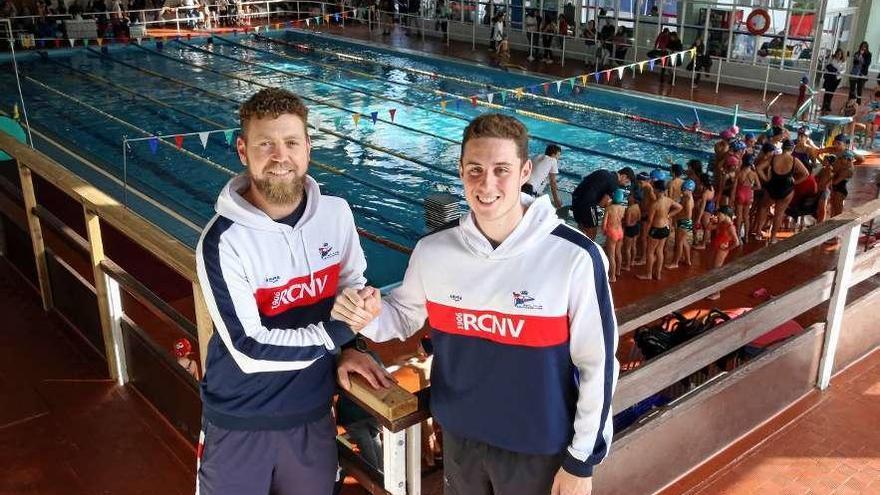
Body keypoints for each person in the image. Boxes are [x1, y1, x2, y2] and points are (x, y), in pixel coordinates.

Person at [334, 113, 619, 495]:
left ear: (525, 171)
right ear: (460, 170)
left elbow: (598, 364)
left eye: (501, 169)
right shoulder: (434, 251)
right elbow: (399, 319)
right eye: (475, 169)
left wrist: (582, 461)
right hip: (460, 437)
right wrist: (366, 315)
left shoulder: (574, 256)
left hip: (538, 447)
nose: (487, 184)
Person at [194, 88, 392, 495]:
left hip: (313, 411)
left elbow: (350, 285)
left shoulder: (335, 214)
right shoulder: (222, 241)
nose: (279, 156)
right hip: (240, 417)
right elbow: (248, 347)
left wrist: (353, 342)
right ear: (242, 150)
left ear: (308, 148)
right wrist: (337, 334)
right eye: (265, 144)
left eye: (290, 142)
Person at [755, 139, 810, 243]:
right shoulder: (794, 160)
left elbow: (758, 168)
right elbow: (806, 174)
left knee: (763, 208)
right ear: (792, 149)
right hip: (786, 189)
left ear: (783, 147)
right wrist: (795, 182)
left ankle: (758, 233)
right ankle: (773, 237)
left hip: (772, 186)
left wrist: (766, 179)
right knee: (779, 213)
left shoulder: (774, 158)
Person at [571, 166, 635, 239]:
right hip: (587, 203)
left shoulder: (604, 172)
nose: (624, 184)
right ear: (624, 176)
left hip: (576, 198)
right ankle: (587, 249)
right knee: (592, 232)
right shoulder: (614, 183)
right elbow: (601, 204)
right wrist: (612, 205)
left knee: (582, 227)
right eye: (626, 182)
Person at [637, 180, 681, 281]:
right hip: (666, 228)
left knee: (650, 252)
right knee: (660, 251)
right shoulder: (668, 200)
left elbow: (649, 221)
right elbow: (679, 207)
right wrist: (668, 215)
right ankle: (658, 274)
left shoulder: (655, 204)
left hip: (656, 229)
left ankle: (648, 274)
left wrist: (646, 234)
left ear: (656, 190)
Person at [706, 206, 740, 300]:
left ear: (725, 215)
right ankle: (714, 288)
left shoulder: (730, 227)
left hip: (722, 250)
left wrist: (727, 249)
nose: (718, 216)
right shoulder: (722, 223)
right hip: (716, 246)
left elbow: (736, 242)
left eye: (719, 214)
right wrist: (712, 221)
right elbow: (708, 228)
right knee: (712, 268)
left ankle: (717, 292)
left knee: (716, 270)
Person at [524, 144, 563, 209]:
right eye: (558, 155)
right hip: (529, 190)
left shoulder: (536, 156)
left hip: (521, 184)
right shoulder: (553, 160)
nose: (558, 158)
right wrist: (556, 200)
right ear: (553, 155)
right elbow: (553, 182)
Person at [667, 178, 695, 269]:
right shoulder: (686, 197)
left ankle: (675, 263)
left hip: (684, 223)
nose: (682, 191)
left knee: (679, 243)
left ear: (690, 190)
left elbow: (688, 216)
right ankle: (687, 260)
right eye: (682, 189)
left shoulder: (688, 200)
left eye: (684, 189)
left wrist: (680, 221)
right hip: (683, 222)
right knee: (683, 242)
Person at [732, 154, 760, 240]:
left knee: (739, 216)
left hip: (740, 193)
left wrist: (732, 198)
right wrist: (751, 188)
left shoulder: (739, 173)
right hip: (749, 195)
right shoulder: (753, 174)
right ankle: (747, 237)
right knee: (746, 216)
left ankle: (738, 236)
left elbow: (734, 187)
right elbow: (759, 186)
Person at [603, 189, 626, 282]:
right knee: (618, 252)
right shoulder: (623, 208)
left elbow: (604, 223)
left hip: (612, 233)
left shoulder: (609, 209)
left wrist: (604, 231)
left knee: (611, 255)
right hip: (620, 232)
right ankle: (618, 271)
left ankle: (612, 277)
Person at [821, 48, 847, 114]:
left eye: (840, 54)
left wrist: (839, 73)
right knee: (827, 91)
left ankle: (828, 105)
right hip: (830, 77)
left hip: (836, 78)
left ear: (841, 55)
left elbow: (844, 70)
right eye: (837, 54)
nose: (838, 55)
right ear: (836, 54)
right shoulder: (832, 59)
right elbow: (827, 66)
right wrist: (827, 71)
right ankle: (824, 105)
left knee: (832, 92)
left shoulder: (843, 61)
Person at [622, 189, 641, 271]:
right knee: (633, 246)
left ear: (633, 198)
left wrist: (622, 221)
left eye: (630, 195)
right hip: (636, 227)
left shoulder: (630, 209)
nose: (628, 196)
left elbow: (628, 223)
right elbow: (639, 218)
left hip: (630, 229)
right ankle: (632, 261)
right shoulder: (637, 206)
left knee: (627, 248)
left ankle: (627, 266)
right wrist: (634, 221)